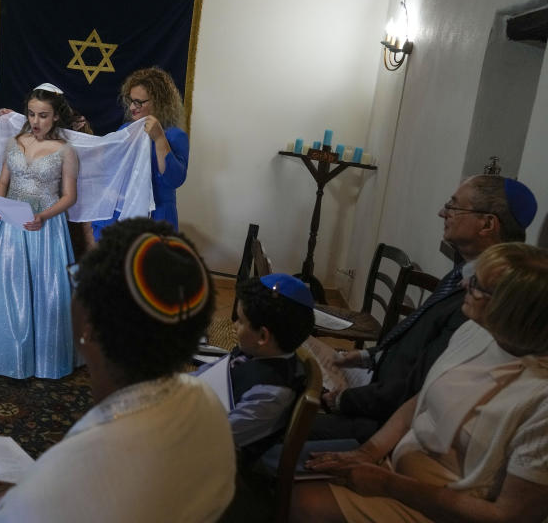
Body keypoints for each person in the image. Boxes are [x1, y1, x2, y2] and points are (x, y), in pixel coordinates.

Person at [0, 218, 236, 521]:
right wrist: (31, 493)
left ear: (89, 327)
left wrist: (33, 497)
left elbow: (76, 492)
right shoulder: (209, 403)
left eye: (78, 279)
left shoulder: (72, 473)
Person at [293, 242, 548, 523]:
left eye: (476, 284)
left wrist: (389, 484)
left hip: (444, 508)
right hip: (394, 469)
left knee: (302, 501)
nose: (463, 283)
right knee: (281, 466)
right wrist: (367, 452)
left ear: (510, 310)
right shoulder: (477, 330)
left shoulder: (540, 401)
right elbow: (420, 399)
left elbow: (510, 516)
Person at [310, 174, 538, 442]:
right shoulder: (465, 273)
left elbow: (420, 386)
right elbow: (421, 343)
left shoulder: (486, 301)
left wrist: (343, 401)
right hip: (378, 387)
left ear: (487, 224)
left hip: (387, 421)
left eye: (454, 206)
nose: (443, 213)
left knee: (280, 418)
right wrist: (367, 357)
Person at [0, 84, 79, 379]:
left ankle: (41, 357)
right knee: (6, 286)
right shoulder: (15, 141)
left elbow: (69, 197)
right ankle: (0, 350)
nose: (36, 121)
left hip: (44, 227)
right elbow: (3, 181)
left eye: (43, 116)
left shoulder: (66, 151)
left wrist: (43, 216)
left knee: (42, 289)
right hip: (11, 225)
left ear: (56, 117)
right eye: (32, 114)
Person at [222, 273, 315, 460]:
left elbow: (216, 434)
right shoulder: (255, 350)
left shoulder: (271, 394)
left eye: (240, 321)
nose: (233, 325)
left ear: (263, 337)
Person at [91, 67, 189, 239]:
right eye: (130, 100)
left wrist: (159, 139)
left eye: (139, 102)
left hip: (157, 216)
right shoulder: (125, 130)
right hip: (124, 213)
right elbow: (108, 170)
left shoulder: (175, 136)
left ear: (159, 102)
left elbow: (174, 180)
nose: (131, 107)